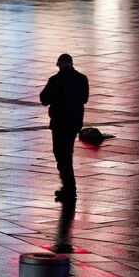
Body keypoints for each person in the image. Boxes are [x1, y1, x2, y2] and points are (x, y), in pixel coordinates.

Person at [40, 53, 89, 202]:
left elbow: (44, 99)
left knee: (60, 153)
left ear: (60, 65)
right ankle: (68, 187)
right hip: (74, 122)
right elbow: (84, 99)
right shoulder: (82, 79)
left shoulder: (55, 80)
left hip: (59, 122)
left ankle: (69, 187)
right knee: (67, 152)